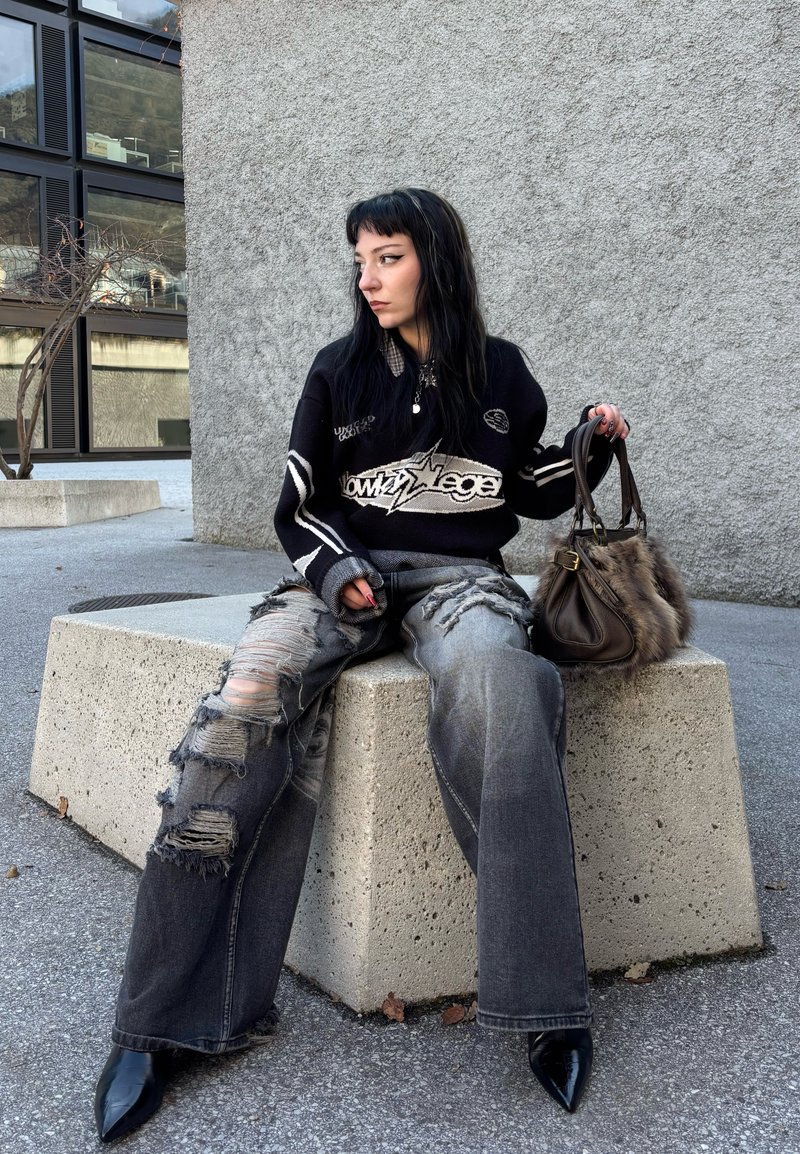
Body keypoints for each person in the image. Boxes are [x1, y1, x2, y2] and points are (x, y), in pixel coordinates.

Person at [94, 187, 629, 1142]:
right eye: (360, 261)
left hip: (463, 580)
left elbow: (531, 488)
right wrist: (338, 572)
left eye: (388, 257)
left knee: (503, 685)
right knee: (241, 708)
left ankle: (547, 1003)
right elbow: (297, 507)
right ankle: (162, 1021)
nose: (368, 279)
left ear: (435, 259)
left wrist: (589, 442)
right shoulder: (337, 370)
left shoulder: (501, 371)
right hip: (341, 579)